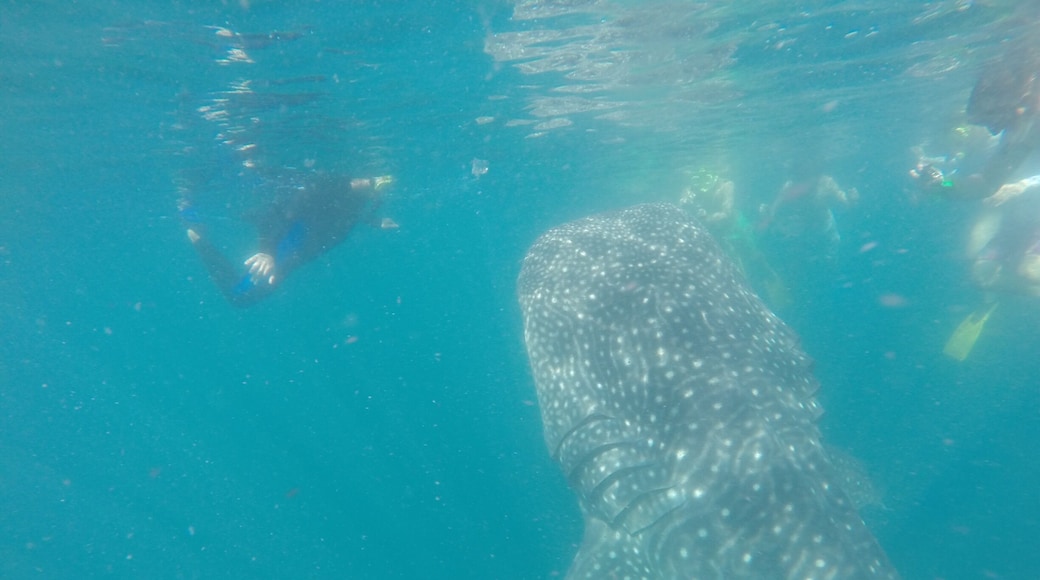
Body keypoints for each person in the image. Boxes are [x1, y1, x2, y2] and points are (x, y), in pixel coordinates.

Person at [181, 172, 392, 307]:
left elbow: (344, 210)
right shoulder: (334, 185)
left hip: (299, 246)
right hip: (290, 238)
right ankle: (196, 233)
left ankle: (193, 218)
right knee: (240, 296)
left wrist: (372, 219)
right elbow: (293, 209)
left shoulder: (358, 194)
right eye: (374, 181)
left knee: (242, 297)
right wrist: (268, 252)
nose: (375, 186)